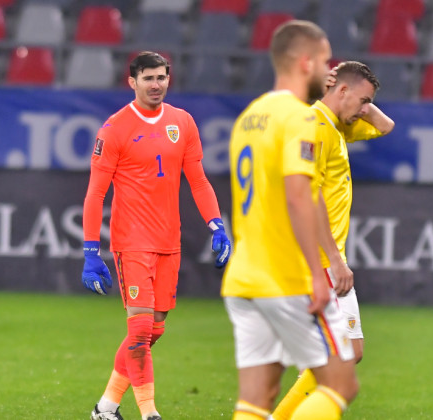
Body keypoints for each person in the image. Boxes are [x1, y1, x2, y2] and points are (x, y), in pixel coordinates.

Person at [82, 51, 232, 420]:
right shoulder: (114, 128)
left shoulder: (182, 122)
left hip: (169, 239)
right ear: (131, 81)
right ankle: (150, 414)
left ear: (169, 79)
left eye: (161, 77)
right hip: (131, 240)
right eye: (148, 78)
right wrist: (90, 251)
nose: (156, 84)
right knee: (140, 329)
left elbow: (197, 180)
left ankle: (105, 408)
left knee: (154, 331)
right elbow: (95, 194)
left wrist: (217, 224)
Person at [222, 20, 359, 420]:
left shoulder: (250, 117)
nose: (329, 70)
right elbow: (300, 195)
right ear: (305, 62)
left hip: (244, 278)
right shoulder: (298, 118)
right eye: (324, 59)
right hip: (286, 277)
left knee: (256, 399)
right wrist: (319, 275)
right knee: (341, 383)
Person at [272, 61, 394, 420]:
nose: (364, 109)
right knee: (335, 357)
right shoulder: (314, 128)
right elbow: (309, 199)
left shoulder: (338, 126)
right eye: (361, 100)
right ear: (341, 91)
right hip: (321, 260)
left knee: (350, 351)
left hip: (330, 257)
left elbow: (386, 126)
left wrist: (361, 100)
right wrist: (335, 261)